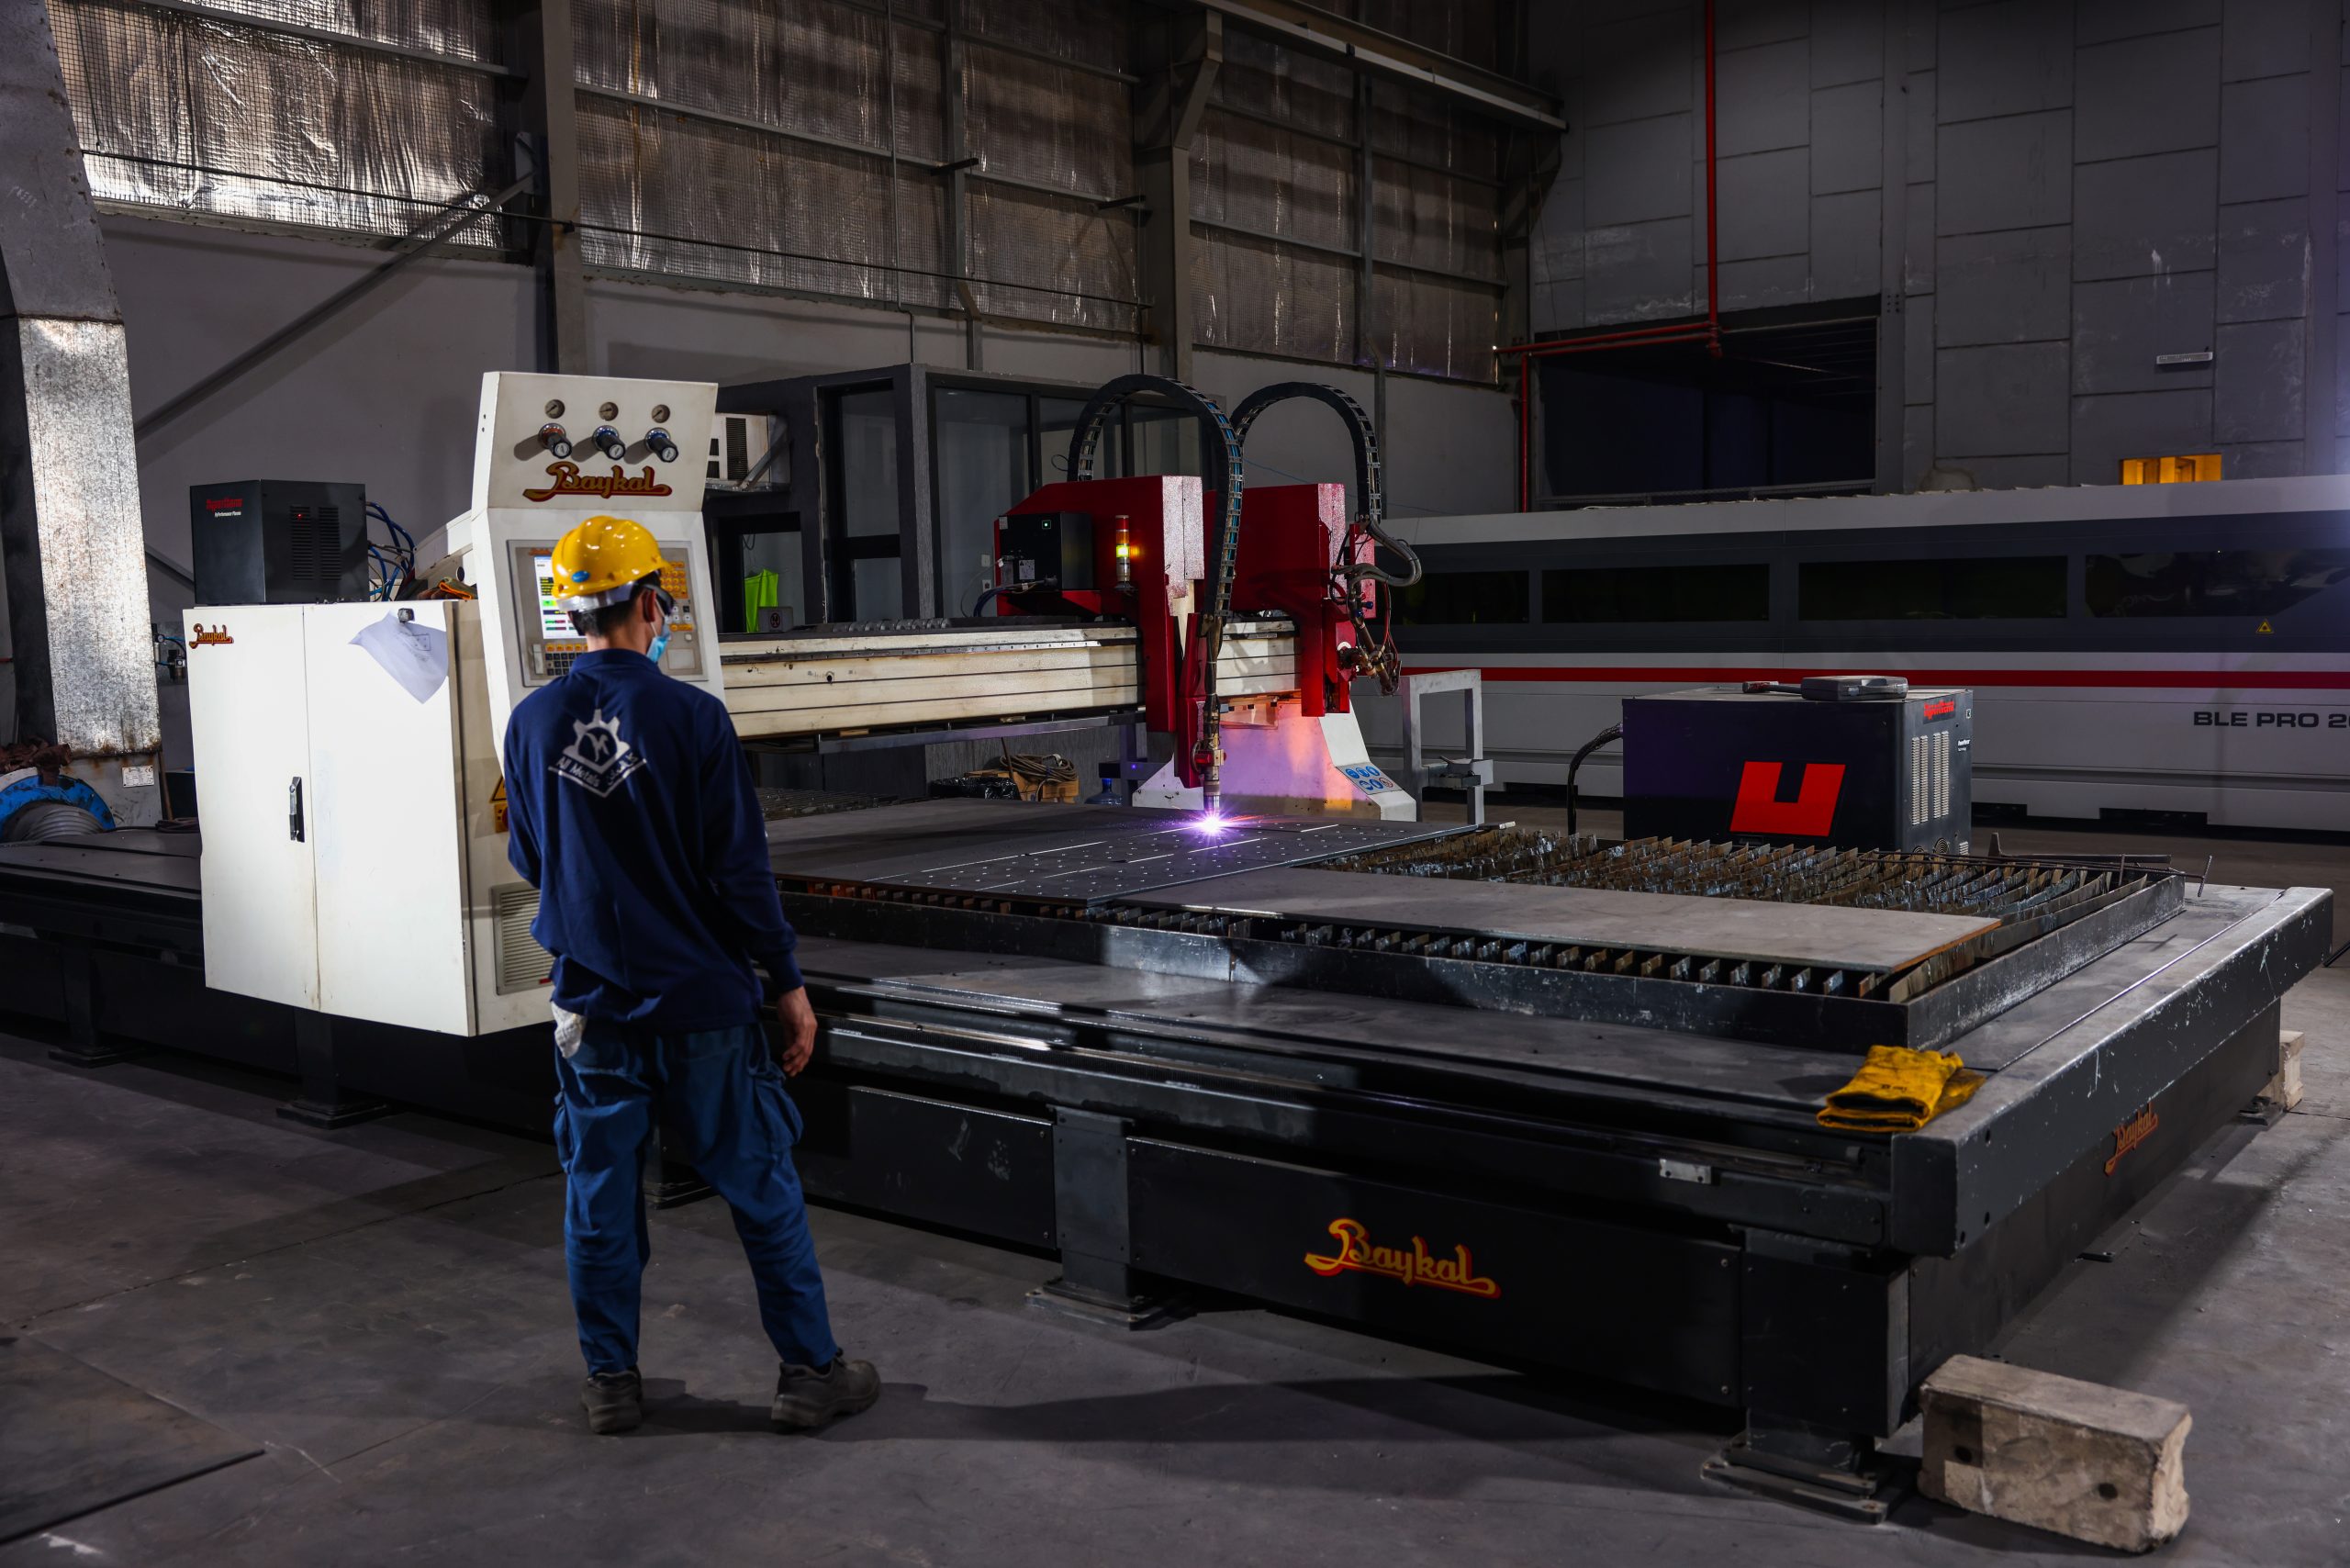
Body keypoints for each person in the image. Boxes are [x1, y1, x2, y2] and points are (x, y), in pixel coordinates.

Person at [502, 513, 879, 1436]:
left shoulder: (531, 721)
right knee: (760, 1185)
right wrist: (787, 982)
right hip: (704, 1004)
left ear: (571, 614)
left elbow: (531, 859)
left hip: (593, 1007)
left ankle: (610, 1382)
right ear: (647, 603)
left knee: (599, 1195)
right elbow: (739, 872)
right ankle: (808, 1373)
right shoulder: (694, 717)